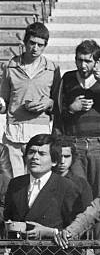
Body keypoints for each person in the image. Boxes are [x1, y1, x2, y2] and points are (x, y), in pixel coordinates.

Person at [54, 39, 100, 198]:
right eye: (79, 60)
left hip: (99, 146)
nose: (83, 65)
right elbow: (59, 114)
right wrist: (72, 109)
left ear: (97, 62)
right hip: (75, 145)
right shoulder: (68, 79)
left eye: (88, 61)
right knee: (75, 192)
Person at [0, 22, 61, 177]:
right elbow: (4, 101)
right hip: (14, 133)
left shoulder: (52, 68)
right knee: (15, 181)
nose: (35, 48)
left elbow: (58, 102)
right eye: (32, 43)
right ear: (25, 42)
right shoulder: (10, 66)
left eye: (40, 45)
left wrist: (49, 103)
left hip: (39, 134)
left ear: (45, 46)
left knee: (37, 180)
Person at [53, 138, 93, 255]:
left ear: (73, 158)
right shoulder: (43, 180)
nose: (62, 161)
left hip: (72, 242)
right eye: (58, 156)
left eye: (66, 157)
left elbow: (88, 213)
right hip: (46, 240)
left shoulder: (81, 184)